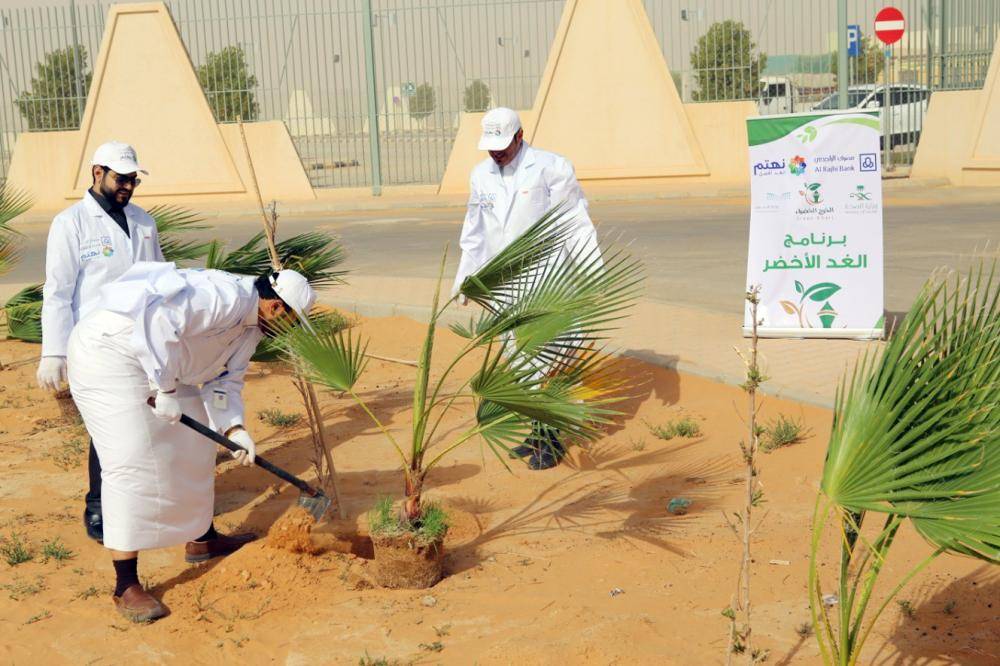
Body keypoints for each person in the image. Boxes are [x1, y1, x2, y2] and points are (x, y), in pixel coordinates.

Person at [67, 261, 316, 623]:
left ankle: (202, 538)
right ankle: (125, 584)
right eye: (292, 321)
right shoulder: (224, 297)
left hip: (161, 365)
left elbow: (224, 383)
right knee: (130, 460)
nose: (288, 331)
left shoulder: (251, 330)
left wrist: (234, 430)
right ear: (276, 306)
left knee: (198, 441)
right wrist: (164, 388)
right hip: (109, 355)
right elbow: (156, 322)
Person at [451, 107, 601, 471]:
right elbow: (475, 231)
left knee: (546, 360)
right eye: (490, 146)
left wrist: (591, 274)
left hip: (547, 280)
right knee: (519, 361)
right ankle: (536, 433)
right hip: (504, 283)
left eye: (503, 144)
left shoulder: (552, 167)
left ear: (520, 136)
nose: (496, 152)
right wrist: (464, 278)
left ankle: (551, 438)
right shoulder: (480, 175)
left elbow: (575, 221)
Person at [36, 141, 164, 544]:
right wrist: (53, 352)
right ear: (97, 173)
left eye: (132, 179)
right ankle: (99, 507)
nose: (127, 185)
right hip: (93, 344)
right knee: (106, 427)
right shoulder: (71, 223)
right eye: (120, 178)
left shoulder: (144, 222)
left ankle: (144, 500)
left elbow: (159, 280)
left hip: (141, 338)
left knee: (148, 420)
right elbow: (58, 291)